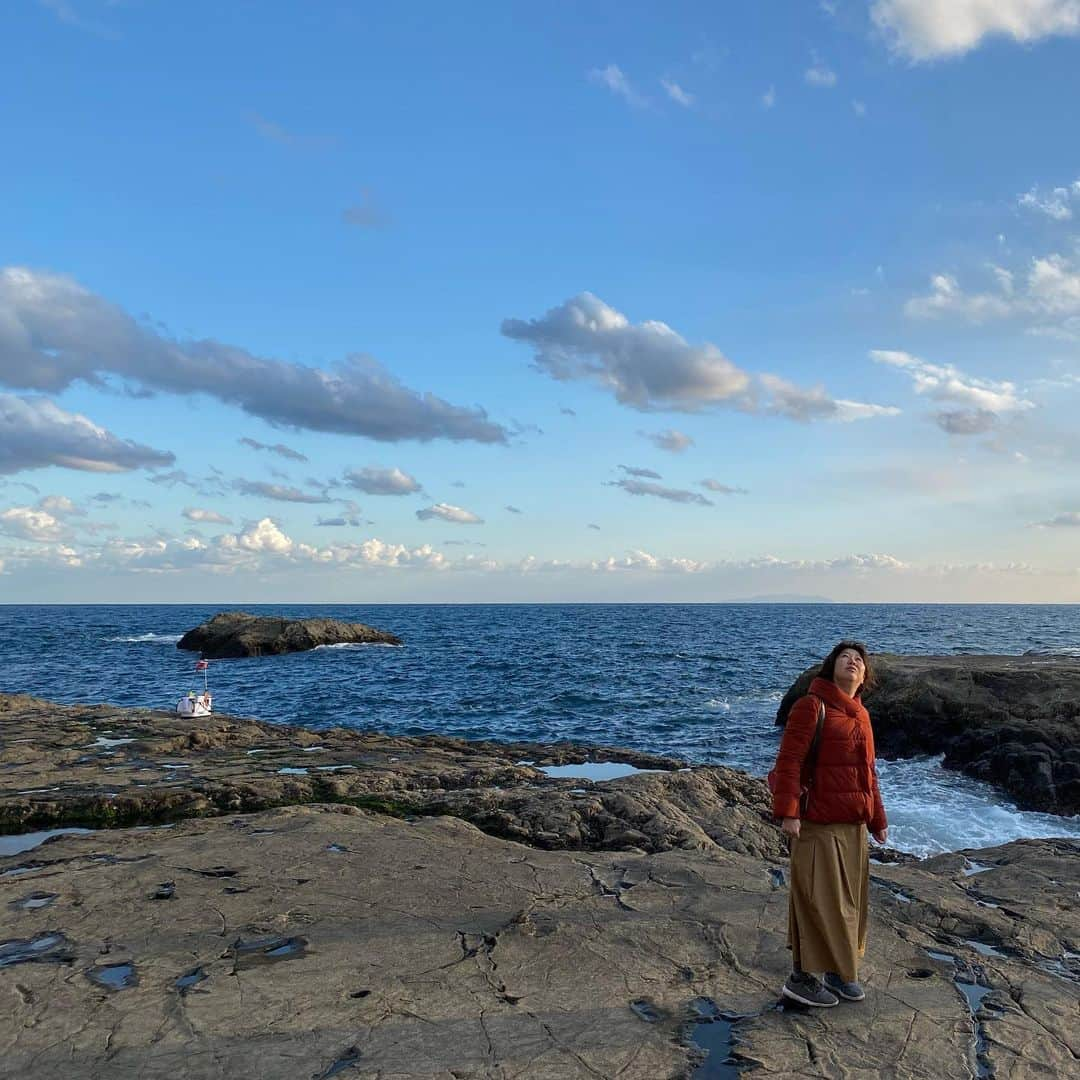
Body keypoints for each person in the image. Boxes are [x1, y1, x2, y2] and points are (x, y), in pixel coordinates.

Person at [771, 640, 887, 1008]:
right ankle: (802, 978)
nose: (852, 662)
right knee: (818, 901)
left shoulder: (862, 715)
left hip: (853, 825)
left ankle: (838, 971)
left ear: (865, 674)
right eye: (845, 657)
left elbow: (868, 774)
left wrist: (877, 820)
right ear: (831, 666)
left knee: (850, 904)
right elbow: (789, 761)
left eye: (859, 660)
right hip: (816, 822)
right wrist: (789, 811)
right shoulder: (811, 706)